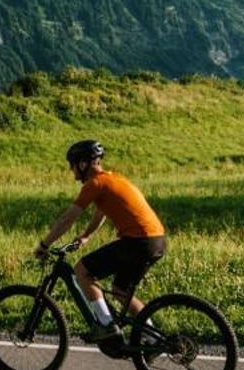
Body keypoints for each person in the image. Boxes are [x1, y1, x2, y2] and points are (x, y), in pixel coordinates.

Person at [35, 139, 166, 341]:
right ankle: (155, 339)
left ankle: (106, 325)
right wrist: (86, 235)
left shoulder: (94, 184)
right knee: (120, 291)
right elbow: (101, 212)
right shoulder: (112, 179)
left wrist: (44, 245)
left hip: (137, 242)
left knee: (82, 270)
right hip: (155, 240)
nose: (72, 171)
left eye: (72, 165)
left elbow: (67, 219)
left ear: (82, 164)